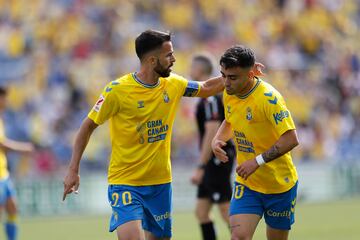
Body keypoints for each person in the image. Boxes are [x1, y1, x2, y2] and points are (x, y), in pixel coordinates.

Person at [63, 30, 263, 240]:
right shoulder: (117, 91)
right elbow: (86, 127)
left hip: (160, 183)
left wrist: (240, 74)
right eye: (169, 55)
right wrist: (73, 169)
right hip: (125, 182)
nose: (174, 60)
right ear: (151, 60)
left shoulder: (173, 84)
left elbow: (205, 87)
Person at [212, 45, 299, 240]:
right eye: (223, 75)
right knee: (238, 236)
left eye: (232, 77)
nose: (226, 83)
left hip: (279, 185)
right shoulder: (230, 93)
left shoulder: (269, 99)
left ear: (251, 74)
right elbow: (230, 120)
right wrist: (218, 139)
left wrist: (256, 162)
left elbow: (291, 138)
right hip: (248, 184)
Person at [189, 54, 235, 240]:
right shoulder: (207, 97)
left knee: (225, 210)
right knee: (201, 212)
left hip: (217, 156)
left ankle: (242, 235)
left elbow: (212, 131)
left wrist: (201, 166)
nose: (189, 70)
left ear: (199, 70)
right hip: (212, 158)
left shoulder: (210, 99)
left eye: (192, 67)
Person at [0, 87, 34, 240]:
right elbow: (2, 144)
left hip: (3, 174)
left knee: (12, 207)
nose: (6, 101)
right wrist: (23, 148)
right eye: (4, 98)